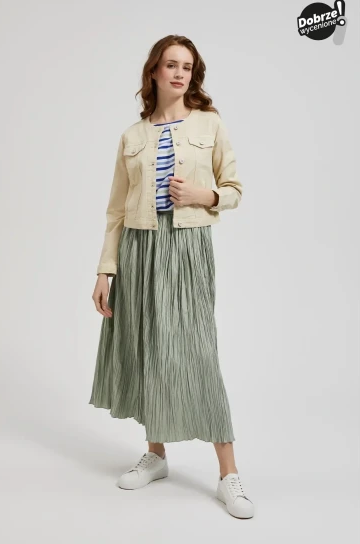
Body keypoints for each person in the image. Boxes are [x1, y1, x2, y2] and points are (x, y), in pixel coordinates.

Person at [89, 35, 254, 519]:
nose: (180, 73)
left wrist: (203, 195)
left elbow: (234, 189)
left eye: (187, 66)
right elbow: (116, 211)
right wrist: (105, 270)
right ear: (155, 72)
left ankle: (228, 474)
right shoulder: (132, 136)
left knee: (198, 351)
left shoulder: (210, 124)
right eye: (171, 65)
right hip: (138, 247)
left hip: (187, 245)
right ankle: (156, 454)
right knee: (146, 345)